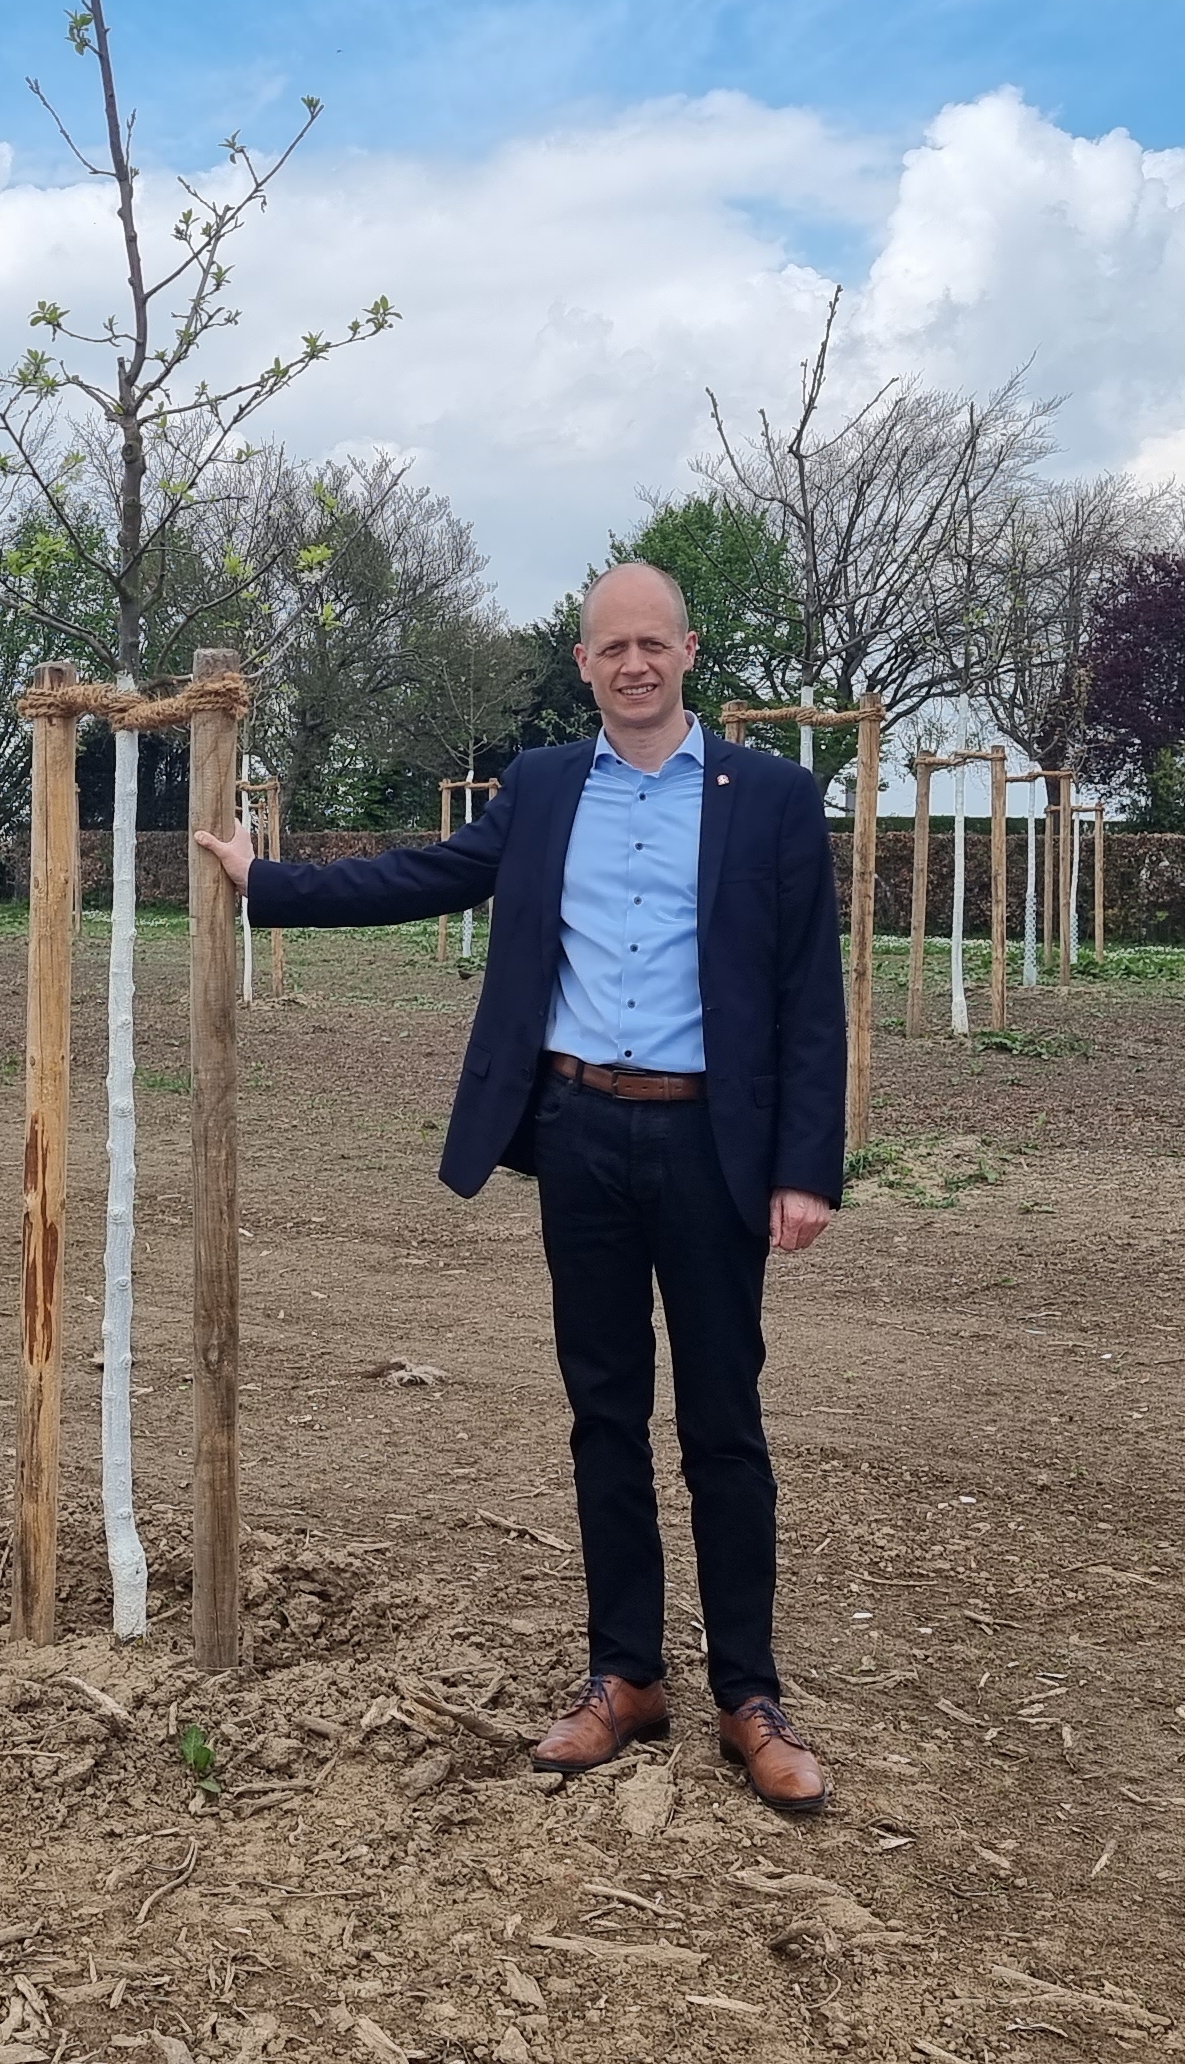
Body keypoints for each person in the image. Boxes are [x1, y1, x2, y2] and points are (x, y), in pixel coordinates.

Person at [193, 561, 846, 1815]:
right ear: (584, 658)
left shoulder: (769, 797)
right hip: (581, 1133)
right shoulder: (544, 785)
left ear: (690, 650)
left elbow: (808, 996)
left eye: (655, 643)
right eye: (613, 646)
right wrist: (267, 880)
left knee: (723, 1424)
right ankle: (624, 1673)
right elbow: (429, 873)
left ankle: (748, 1697)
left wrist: (804, 1167)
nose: (635, 664)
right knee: (603, 1412)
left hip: (714, 1144)